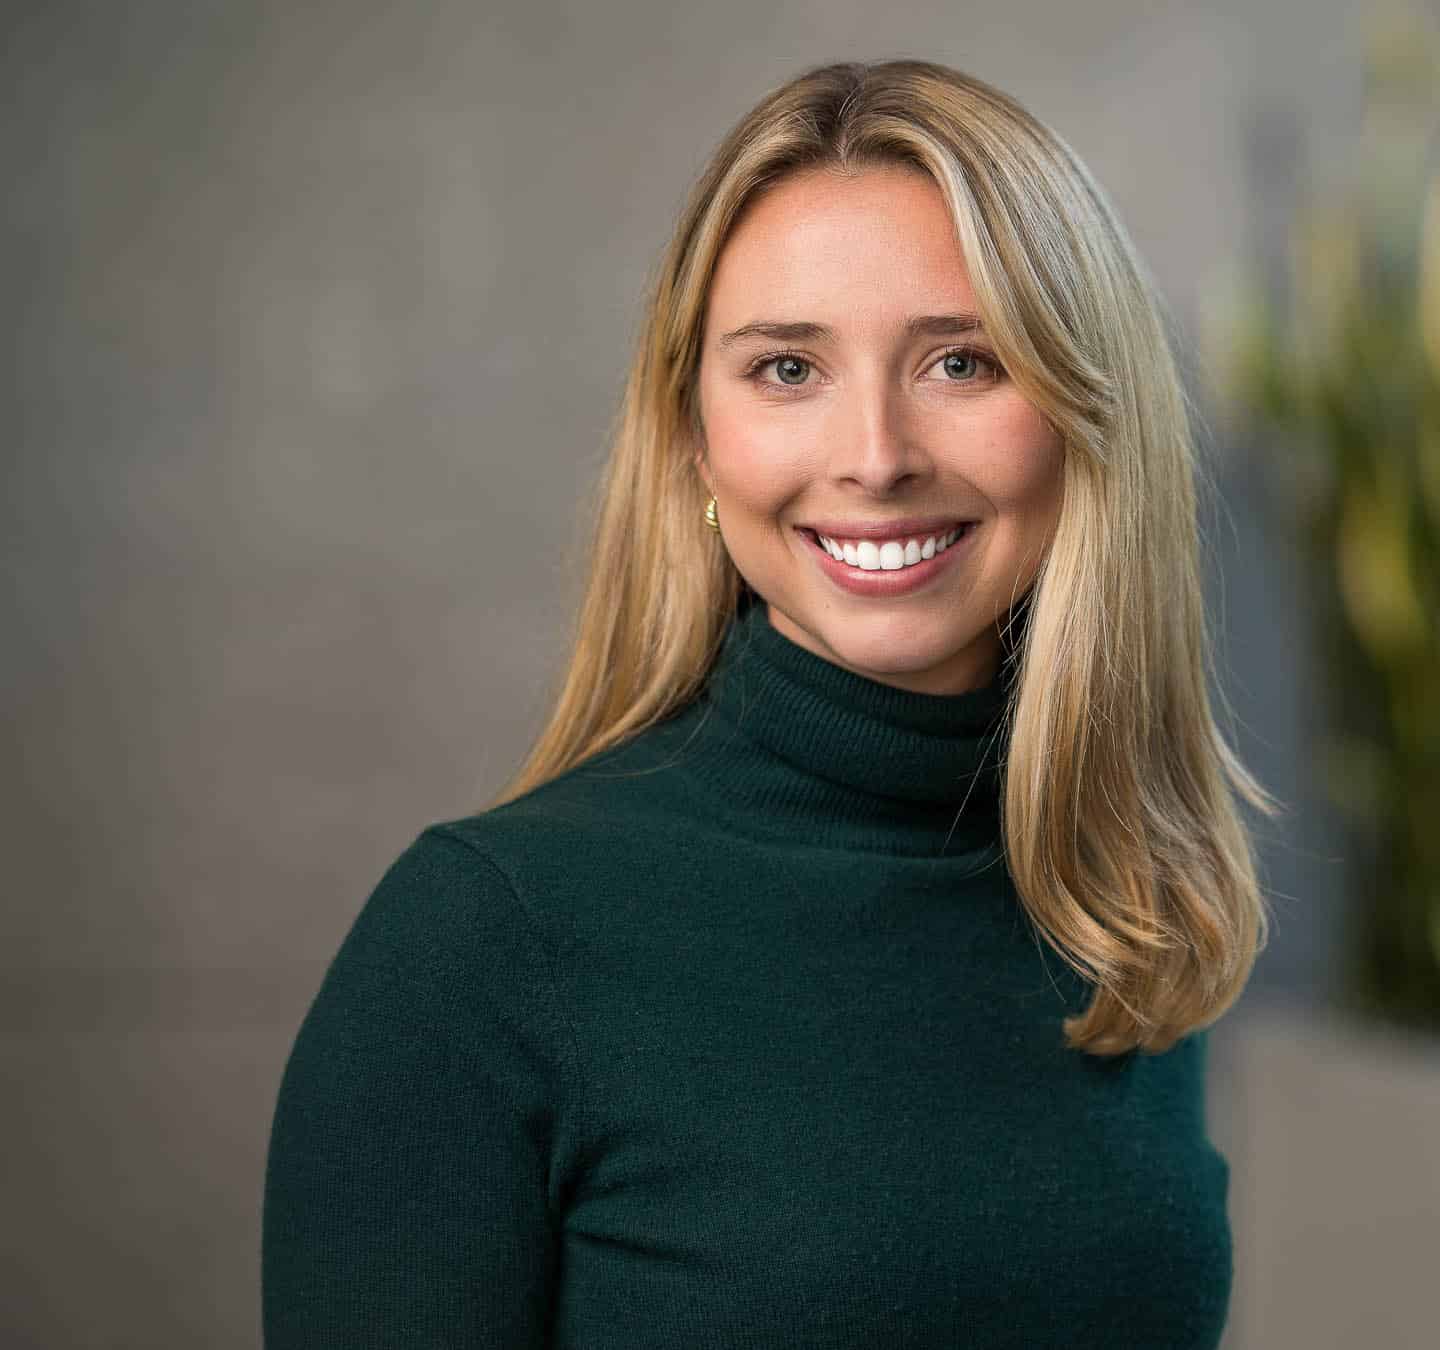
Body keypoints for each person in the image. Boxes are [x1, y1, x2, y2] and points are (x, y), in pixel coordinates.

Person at [261, 58, 1269, 1348]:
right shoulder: (481, 949)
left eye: (962, 361)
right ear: (693, 434)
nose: (876, 455)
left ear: (1084, 414)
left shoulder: (1121, 901)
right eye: (787, 370)